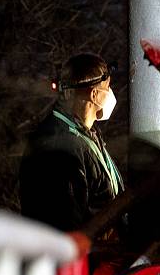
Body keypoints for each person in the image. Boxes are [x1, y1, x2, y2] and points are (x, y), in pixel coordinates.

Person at [20, 53, 124, 231]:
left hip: (101, 254)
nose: (110, 94)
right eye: (107, 87)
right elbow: (65, 225)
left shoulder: (84, 135)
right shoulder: (58, 147)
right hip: (81, 256)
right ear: (94, 95)